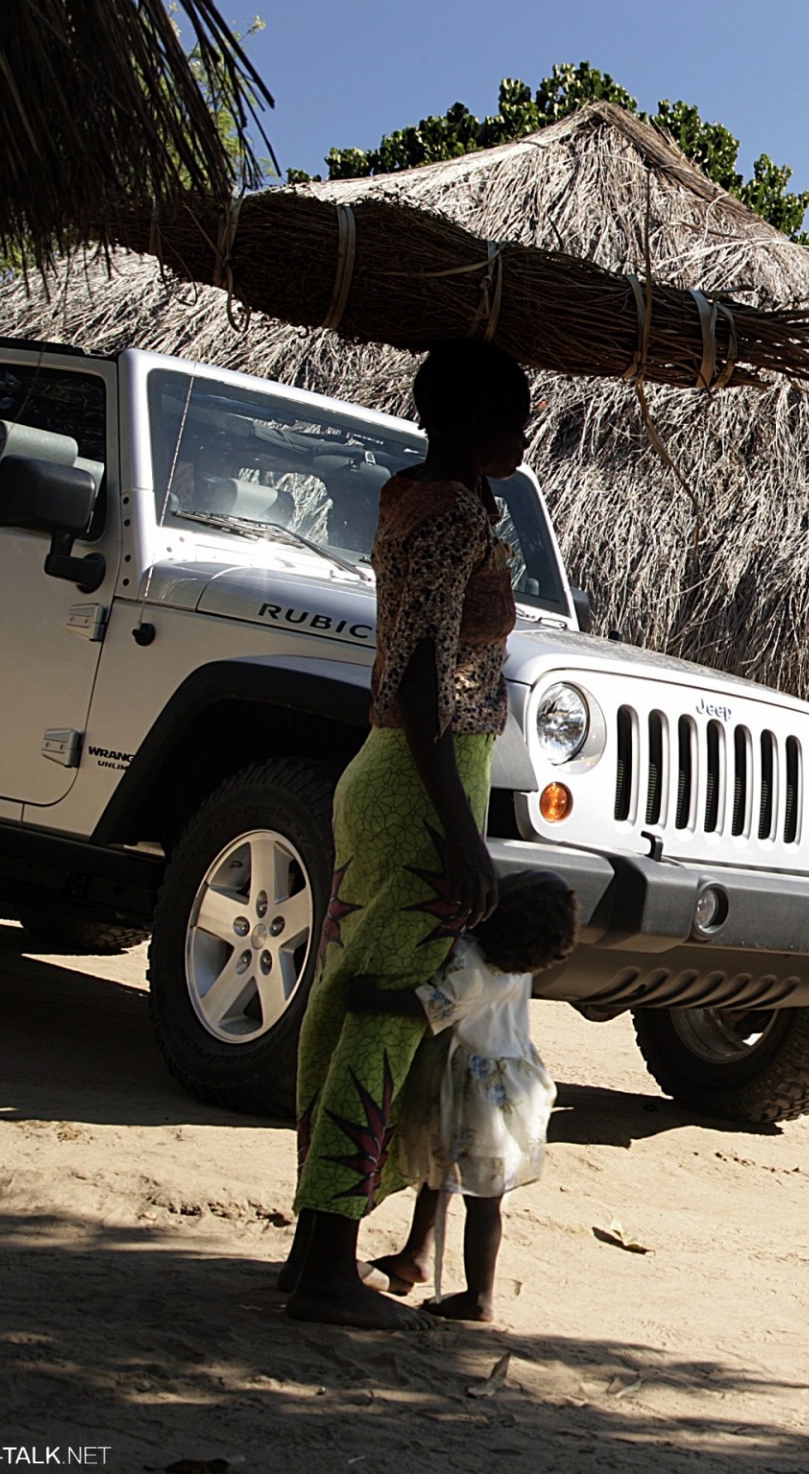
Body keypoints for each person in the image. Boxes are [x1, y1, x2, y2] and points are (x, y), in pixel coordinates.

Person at [279, 340, 531, 1330]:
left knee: (350, 1003)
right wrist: (462, 835)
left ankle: (313, 1247)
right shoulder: (452, 514)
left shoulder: (418, 498)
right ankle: (326, 1263)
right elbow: (425, 669)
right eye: (513, 417)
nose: (525, 436)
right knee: (383, 1019)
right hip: (423, 784)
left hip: (398, 772)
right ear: (469, 418)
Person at [359, 871, 578, 1319]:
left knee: (478, 1199)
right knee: (445, 1176)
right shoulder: (518, 967)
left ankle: (479, 1298)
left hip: (473, 1096)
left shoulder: (470, 964)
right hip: (516, 1087)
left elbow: (428, 1008)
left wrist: (369, 997)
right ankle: (417, 1256)